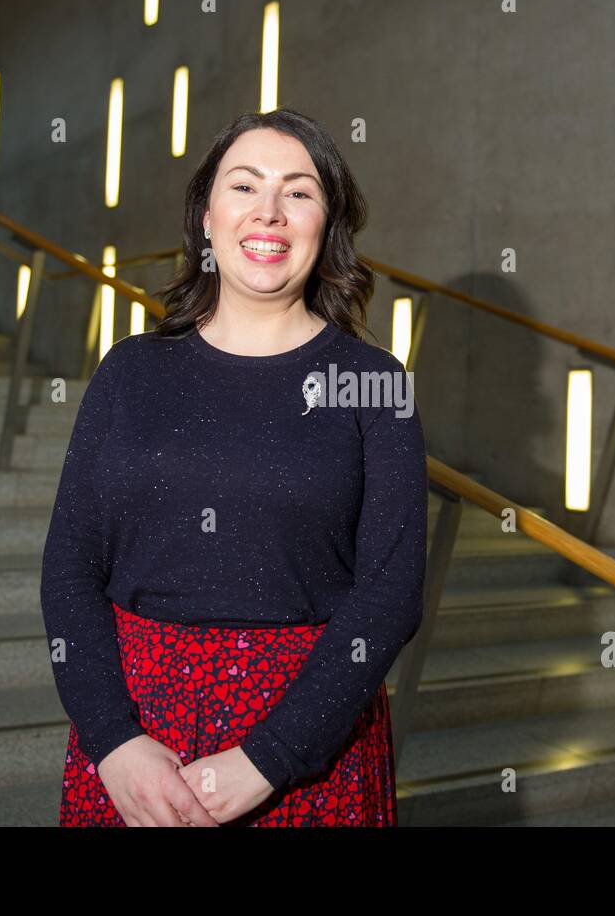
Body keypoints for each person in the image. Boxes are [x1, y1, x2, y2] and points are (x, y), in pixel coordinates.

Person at [40, 108, 429, 826]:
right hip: (133, 736)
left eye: (300, 192)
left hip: (313, 738)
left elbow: (390, 595)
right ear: (207, 216)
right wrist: (113, 740)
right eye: (245, 186)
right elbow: (69, 565)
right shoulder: (130, 371)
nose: (270, 212)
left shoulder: (374, 383)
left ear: (328, 224)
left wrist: (270, 757)